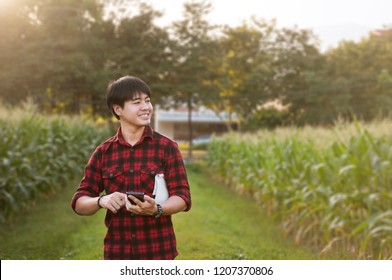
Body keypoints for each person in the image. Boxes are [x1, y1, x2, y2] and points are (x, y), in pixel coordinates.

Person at [70, 75, 191, 260]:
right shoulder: (103, 152)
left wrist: (157, 209)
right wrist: (101, 201)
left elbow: (182, 196)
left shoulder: (167, 147)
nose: (146, 107)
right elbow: (79, 202)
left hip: (158, 252)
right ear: (118, 109)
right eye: (137, 102)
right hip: (117, 253)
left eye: (148, 101)